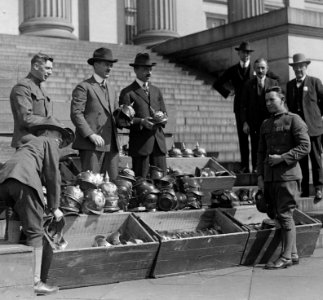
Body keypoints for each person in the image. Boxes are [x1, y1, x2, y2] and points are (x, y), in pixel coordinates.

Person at [0, 116, 74, 295]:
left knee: (12, 222)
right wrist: (55, 206)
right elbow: (52, 175)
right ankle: (35, 282)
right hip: (24, 180)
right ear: (49, 132)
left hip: (4, 178)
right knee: (35, 231)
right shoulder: (49, 142)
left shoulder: (29, 144)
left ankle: (9, 275)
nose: (60, 141)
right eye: (59, 137)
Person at [257, 86, 310, 269]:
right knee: (279, 215)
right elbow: (261, 152)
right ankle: (293, 253)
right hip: (271, 178)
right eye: (266, 101)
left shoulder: (294, 120)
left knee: (286, 216)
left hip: (288, 177)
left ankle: (286, 257)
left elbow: (305, 146)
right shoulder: (265, 124)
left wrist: (282, 158)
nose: (269, 103)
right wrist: (260, 176)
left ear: (282, 99)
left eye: (272, 100)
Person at [213, 41, 280, 173]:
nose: (246, 55)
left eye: (248, 53)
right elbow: (217, 83)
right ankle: (244, 166)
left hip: (256, 108)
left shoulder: (257, 69)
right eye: (244, 52)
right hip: (240, 108)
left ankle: (257, 166)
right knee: (243, 138)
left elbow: (275, 78)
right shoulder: (233, 70)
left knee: (257, 139)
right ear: (239, 53)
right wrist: (228, 92)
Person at [70, 47, 120, 180]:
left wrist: (126, 116)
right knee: (92, 186)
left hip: (111, 145)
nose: (109, 68)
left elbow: (115, 116)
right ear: (96, 64)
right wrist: (91, 134)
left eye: (111, 65)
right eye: (106, 64)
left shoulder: (112, 89)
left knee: (113, 188)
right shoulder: (84, 86)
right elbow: (76, 114)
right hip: (91, 145)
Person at [119, 53, 167, 178]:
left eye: (150, 69)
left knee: (163, 183)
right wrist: (141, 122)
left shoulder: (156, 91)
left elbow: (165, 113)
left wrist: (161, 117)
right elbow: (122, 121)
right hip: (141, 146)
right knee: (142, 184)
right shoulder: (127, 92)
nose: (149, 72)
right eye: (145, 69)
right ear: (135, 70)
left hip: (159, 145)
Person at [286, 53, 323, 200]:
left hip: (314, 128)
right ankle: (304, 189)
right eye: (296, 67)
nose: (298, 70)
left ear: (306, 67)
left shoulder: (314, 82)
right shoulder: (290, 85)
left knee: (316, 159)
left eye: (301, 67)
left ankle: (319, 188)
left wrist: (317, 118)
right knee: (300, 161)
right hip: (298, 131)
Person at [241, 58, 279, 173]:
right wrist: (245, 122)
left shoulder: (273, 83)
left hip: (270, 121)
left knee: (270, 146)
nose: (260, 70)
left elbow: (279, 102)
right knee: (256, 147)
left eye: (263, 68)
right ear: (254, 69)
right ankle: (256, 171)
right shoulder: (248, 84)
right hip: (254, 123)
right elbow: (243, 105)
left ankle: (270, 169)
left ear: (267, 69)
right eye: (258, 68)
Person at [10, 52, 54, 148]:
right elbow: (26, 118)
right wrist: (52, 122)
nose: (50, 72)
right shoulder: (22, 87)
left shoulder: (42, 89)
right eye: (47, 68)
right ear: (36, 66)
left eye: (51, 69)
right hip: (27, 144)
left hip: (43, 142)